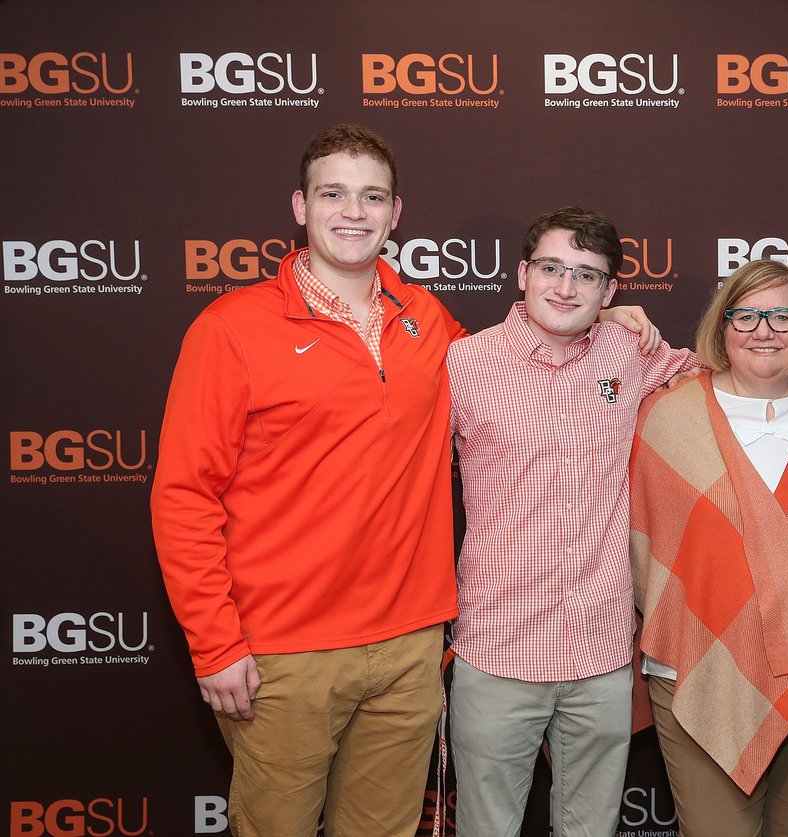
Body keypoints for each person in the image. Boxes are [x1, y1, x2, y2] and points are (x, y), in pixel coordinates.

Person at [150, 127, 658, 837]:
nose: (352, 211)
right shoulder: (231, 328)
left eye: (372, 196)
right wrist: (214, 641)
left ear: (396, 214)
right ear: (300, 205)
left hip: (410, 646)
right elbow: (183, 494)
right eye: (333, 193)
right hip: (284, 650)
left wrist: (609, 321)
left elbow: (530, 359)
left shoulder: (430, 325)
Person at [446, 207, 699, 837]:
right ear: (522, 274)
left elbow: (725, 380)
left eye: (587, 276)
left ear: (611, 290)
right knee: (487, 828)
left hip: (601, 652)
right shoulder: (462, 363)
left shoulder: (631, 353)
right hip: (497, 648)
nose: (566, 287)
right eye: (552, 269)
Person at [629, 258, 788, 837]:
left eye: (783, 316)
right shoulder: (667, 414)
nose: (765, 330)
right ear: (721, 325)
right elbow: (638, 541)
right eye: (747, 315)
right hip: (700, 668)